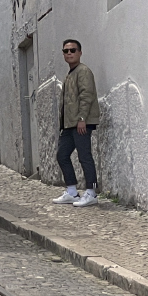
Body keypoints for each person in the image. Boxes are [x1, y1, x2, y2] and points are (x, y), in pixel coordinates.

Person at [53, 39, 101, 207]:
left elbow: (86, 96)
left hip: (81, 123)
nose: (69, 53)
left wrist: (82, 119)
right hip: (69, 124)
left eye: (73, 50)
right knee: (62, 155)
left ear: (80, 52)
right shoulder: (70, 74)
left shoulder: (83, 71)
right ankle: (72, 192)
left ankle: (92, 192)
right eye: (66, 51)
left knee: (85, 156)